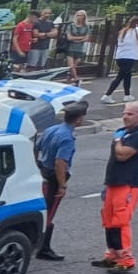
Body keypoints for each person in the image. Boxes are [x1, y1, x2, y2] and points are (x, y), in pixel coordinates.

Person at [92, 101, 138, 274]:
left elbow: (122, 155)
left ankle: (126, 259)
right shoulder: (125, 133)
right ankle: (113, 255)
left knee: (121, 222)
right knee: (108, 220)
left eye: (130, 114)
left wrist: (117, 141)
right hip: (113, 183)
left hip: (127, 184)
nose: (125, 116)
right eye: (124, 113)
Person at [32, 101, 87, 262]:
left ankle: (38, 244)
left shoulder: (51, 129)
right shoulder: (67, 138)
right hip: (54, 179)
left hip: (43, 172)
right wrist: (62, 185)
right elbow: (60, 163)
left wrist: (37, 166)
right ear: (78, 120)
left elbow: (36, 147)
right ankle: (44, 248)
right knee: (49, 213)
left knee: (43, 209)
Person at [102, 16, 138, 104]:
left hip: (120, 56)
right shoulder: (137, 30)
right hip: (129, 57)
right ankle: (107, 95)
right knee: (120, 76)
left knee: (127, 75)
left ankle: (127, 95)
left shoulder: (123, 31)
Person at [60, 10, 92, 84]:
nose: (79, 17)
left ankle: (69, 77)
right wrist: (80, 38)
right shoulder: (71, 26)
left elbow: (87, 38)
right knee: (71, 66)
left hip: (80, 49)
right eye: (77, 15)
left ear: (84, 17)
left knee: (75, 66)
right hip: (70, 47)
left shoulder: (86, 27)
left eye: (80, 15)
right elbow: (69, 37)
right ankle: (76, 79)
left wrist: (77, 39)